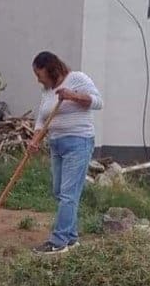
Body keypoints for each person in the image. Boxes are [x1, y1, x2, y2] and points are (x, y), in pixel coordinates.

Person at [27, 51, 103, 254]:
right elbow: (42, 120)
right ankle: (71, 238)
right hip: (56, 144)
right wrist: (35, 141)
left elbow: (98, 102)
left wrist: (73, 95)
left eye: (39, 74)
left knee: (68, 194)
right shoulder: (47, 91)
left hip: (78, 143)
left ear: (51, 69)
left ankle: (58, 242)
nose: (38, 79)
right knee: (59, 192)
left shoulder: (77, 79)